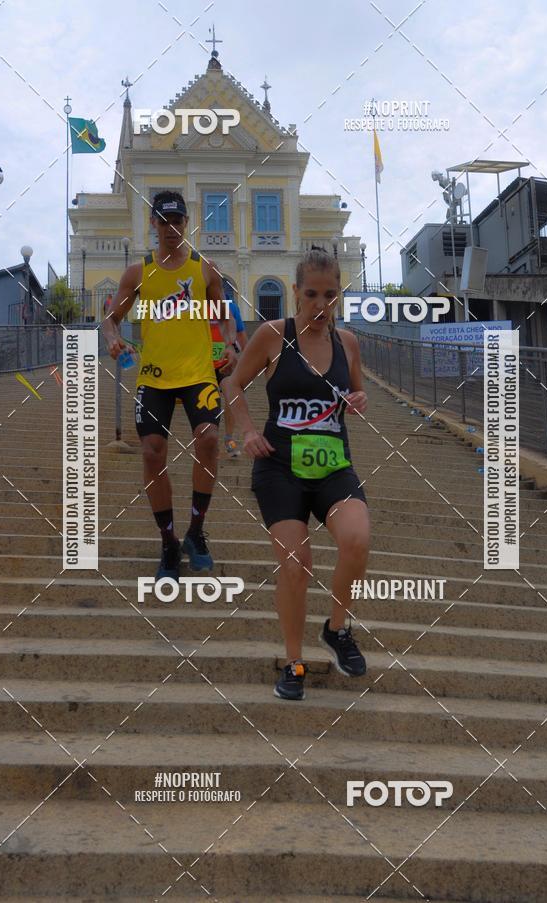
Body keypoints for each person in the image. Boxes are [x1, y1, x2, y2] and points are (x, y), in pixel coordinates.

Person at [224, 247, 369, 700]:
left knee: (357, 539)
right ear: (295, 293)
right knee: (296, 564)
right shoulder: (273, 336)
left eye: (330, 295)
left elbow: (357, 391)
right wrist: (246, 430)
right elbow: (231, 384)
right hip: (280, 467)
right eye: (311, 294)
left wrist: (357, 402)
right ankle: (292, 662)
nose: (321, 305)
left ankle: (336, 628)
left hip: (332, 466)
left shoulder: (348, 342)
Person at [102, 190, 237, 580]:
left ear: (186, 222)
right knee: (152, 451)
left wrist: (228, 341)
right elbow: (111, 319)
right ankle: (168, 543)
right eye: (165, 222)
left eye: (178, 221)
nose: (172, 229)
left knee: (210, 439)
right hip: (155, 378)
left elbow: (225, 315)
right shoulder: (138, 273)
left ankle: (195, 532)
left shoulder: (204, 269)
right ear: (154, 224)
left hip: (198, 374)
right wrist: (113, 338)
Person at [211, 298, 248, 458]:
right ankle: (210, 440)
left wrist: (247, 363)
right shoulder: (193, 304)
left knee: (231, 397)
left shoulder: (230, 307)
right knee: (208, 403)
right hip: (201, 365)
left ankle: (229, 438)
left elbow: (241, 335)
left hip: (225, 362)